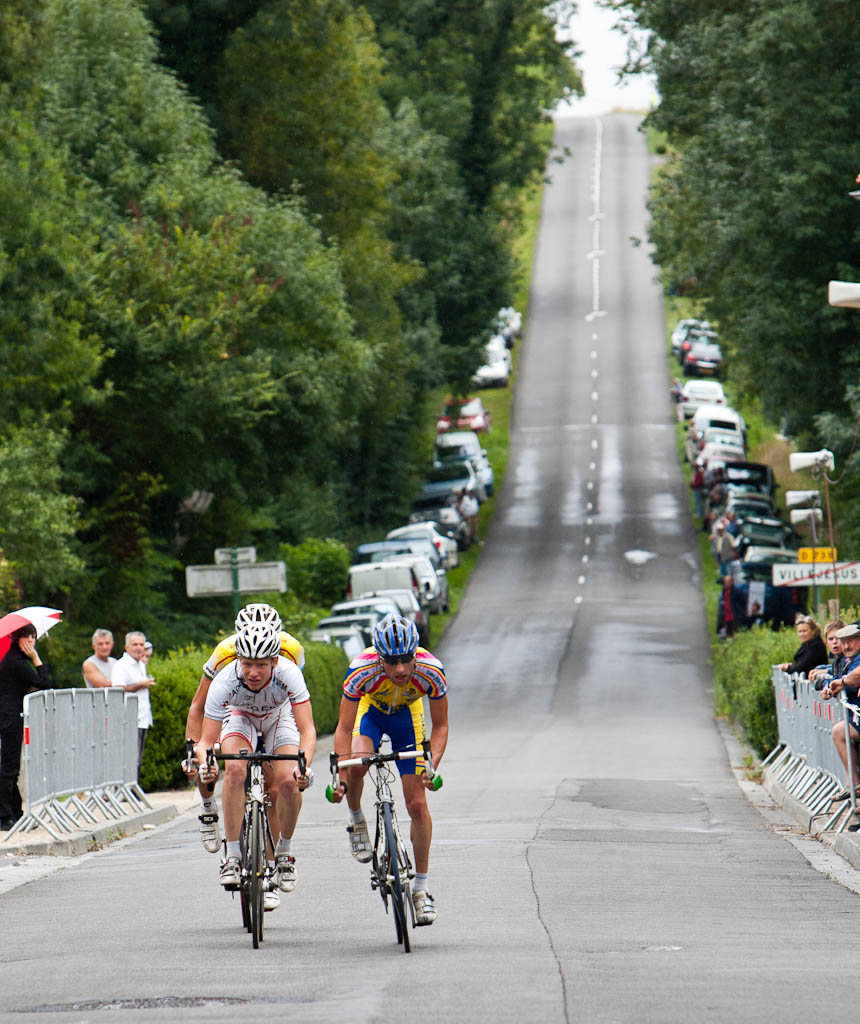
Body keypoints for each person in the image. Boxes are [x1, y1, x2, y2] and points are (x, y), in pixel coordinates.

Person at [329, 612, 449, 926]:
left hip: (407, 719)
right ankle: (356, 820)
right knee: (358, 764)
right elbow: (343, 729)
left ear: (415, 655)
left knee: (417, 804)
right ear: (379, 658)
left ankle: (421, 891)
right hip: (372, 713)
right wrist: (341, 775)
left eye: (406, 660)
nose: (399, 669)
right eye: (391, 662)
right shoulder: (361, 671)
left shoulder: (431, 671)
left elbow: (441, 727)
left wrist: (431, 765)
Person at [194, 622, 315, 913]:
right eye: (247, 664)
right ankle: (233, 856)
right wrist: (206, 764)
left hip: (277, 718)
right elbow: (206, 741)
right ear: (238, 661)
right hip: (241, 718)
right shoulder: (225, 679)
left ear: (275, 661)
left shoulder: (289, 674)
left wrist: (304, 766)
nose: (253, 673)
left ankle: (283, 854)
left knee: (287, 781)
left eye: (261, 665)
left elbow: (307, 730)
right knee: (235, 769)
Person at [184, 603, 304, 855]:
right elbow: (199, 707)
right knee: (217, 761)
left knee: (274, 788)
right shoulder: (225, 653)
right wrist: (194, 753)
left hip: (274, 710)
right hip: (235, 707)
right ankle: (208, 807)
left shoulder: (291, 651)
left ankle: (272, 863)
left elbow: (290, 698)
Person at [0, 625, 52, 831]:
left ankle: (14, 812)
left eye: (34, 637)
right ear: (16, 638)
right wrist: (37, 659)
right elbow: (46, 683)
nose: (31, 641)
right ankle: (5, 816)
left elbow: (32, 684)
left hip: (9, 715)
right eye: (27, 636)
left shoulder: (12, 660)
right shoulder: (15, 661)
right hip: (9, 717)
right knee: (9, 767)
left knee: (10, 767)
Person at [820, 623, 860, 794]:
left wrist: (842, 683)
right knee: (838, 732)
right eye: (843, 642)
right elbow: (838, 678)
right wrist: (829, 686)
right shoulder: (848, 660)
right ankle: (854, 785)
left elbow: (854, 677)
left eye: (850, 641)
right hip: (856, 716)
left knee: (838, 732)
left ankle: (854, 784)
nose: (845, 646)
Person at [111, 631, 155, 779]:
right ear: (127, 647)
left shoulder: (141, 664)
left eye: (141, 644)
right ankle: (126, 789)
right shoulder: (121, 665)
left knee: (138, 757)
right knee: (129, 757)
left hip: (142, 716)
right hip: (128, 717)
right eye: (135, 644)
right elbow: (117, 688)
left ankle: (133, 788)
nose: (138, 648)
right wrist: (139, 685)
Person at [809, 619, 846, 689]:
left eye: (838, 638)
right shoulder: (836, 658)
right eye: (831, 639)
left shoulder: (849, 658)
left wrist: (822, 683)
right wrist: (820, 668)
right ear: (826, 642)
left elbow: (839, 681)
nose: (835, 642)